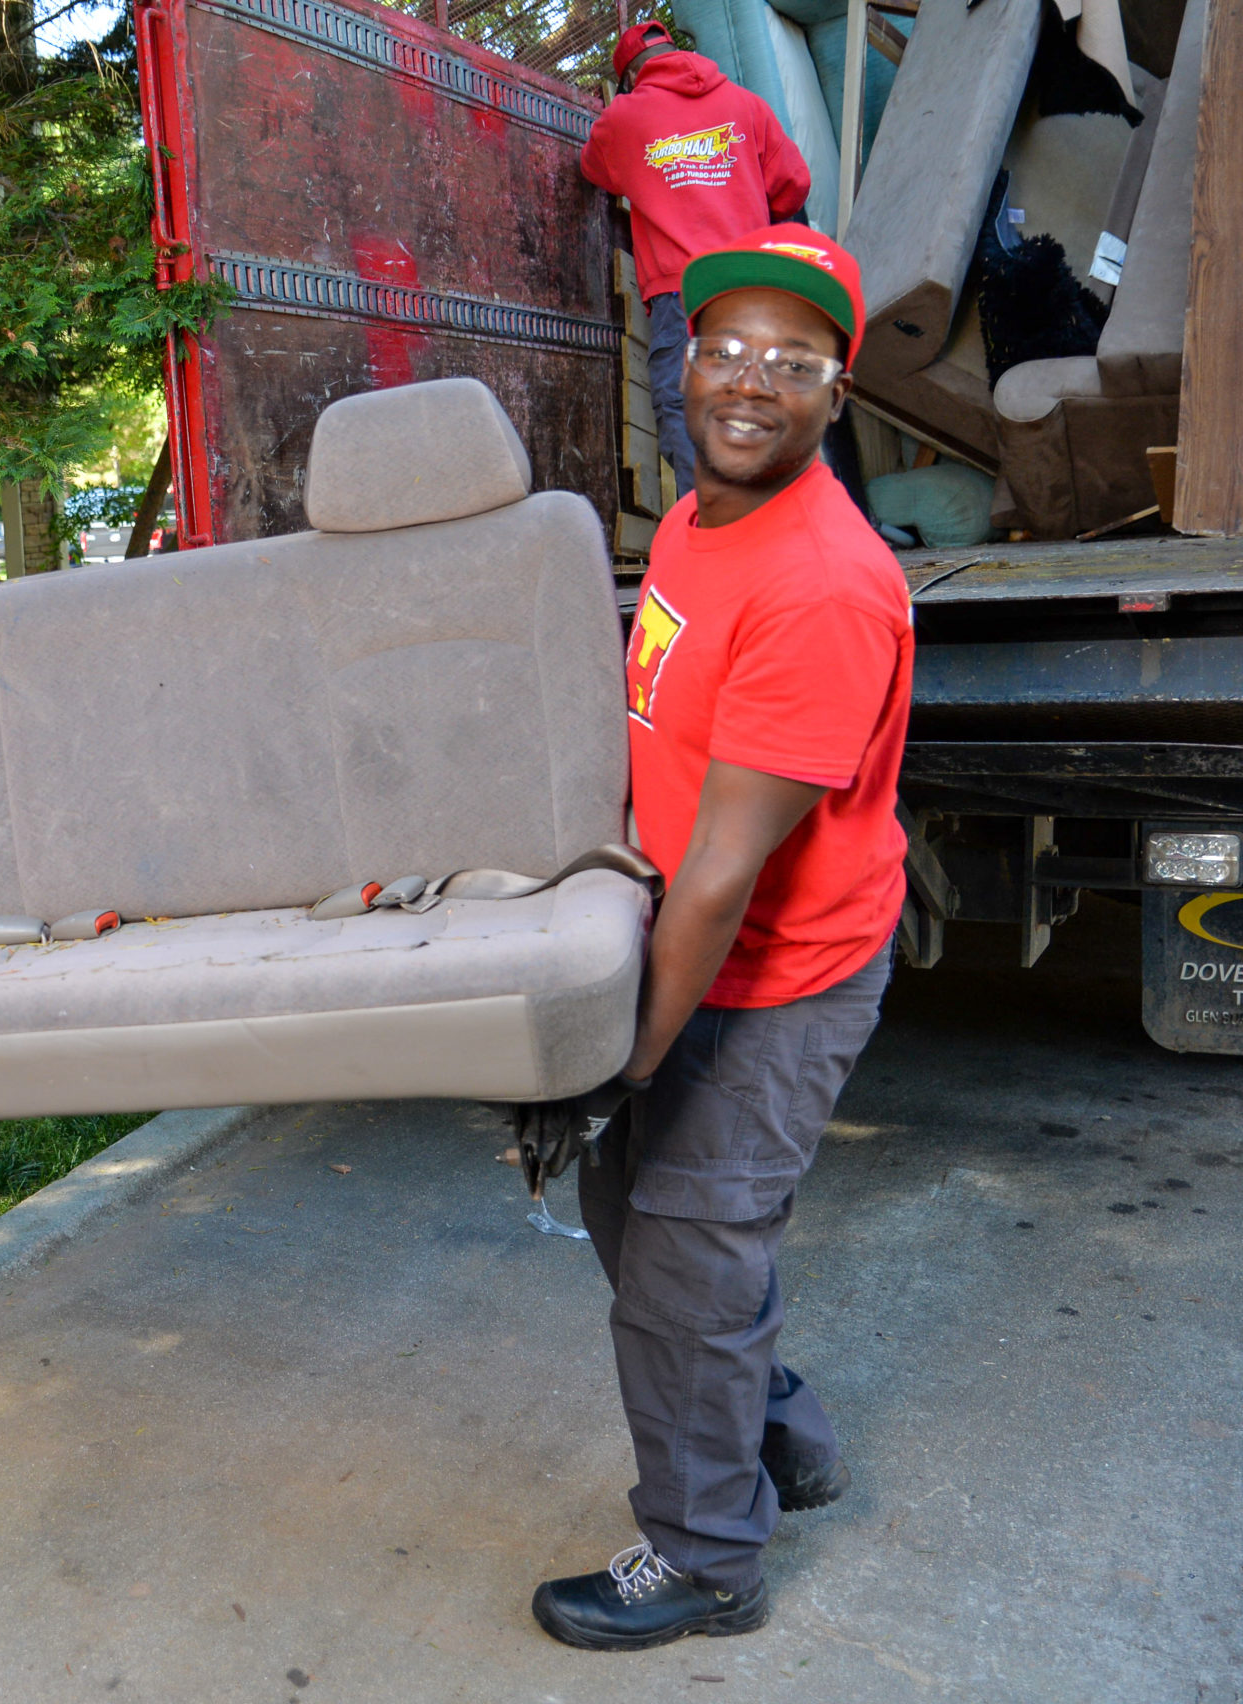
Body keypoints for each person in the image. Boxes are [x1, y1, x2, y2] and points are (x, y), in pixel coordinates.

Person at [530, 228, 911, 1652]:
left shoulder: (820, 583)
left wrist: (620, 1061)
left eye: (793, 364)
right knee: (645, 1225)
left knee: (683, 1251)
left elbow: (722, 884)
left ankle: (705, 1559)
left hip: (779, 970)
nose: (751, 384)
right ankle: (784, 1438)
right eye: (728, 350)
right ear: (685, 367)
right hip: (708, 937)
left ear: (837, 394)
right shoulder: (700, 519)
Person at [580, 21, 813, 502]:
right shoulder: (745, 104)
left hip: (684, 293)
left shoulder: (622, 119)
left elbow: (594, 169)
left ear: (629, 77)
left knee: (690, 415)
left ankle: (715, 548)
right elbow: (793, 184)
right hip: (752, 287)